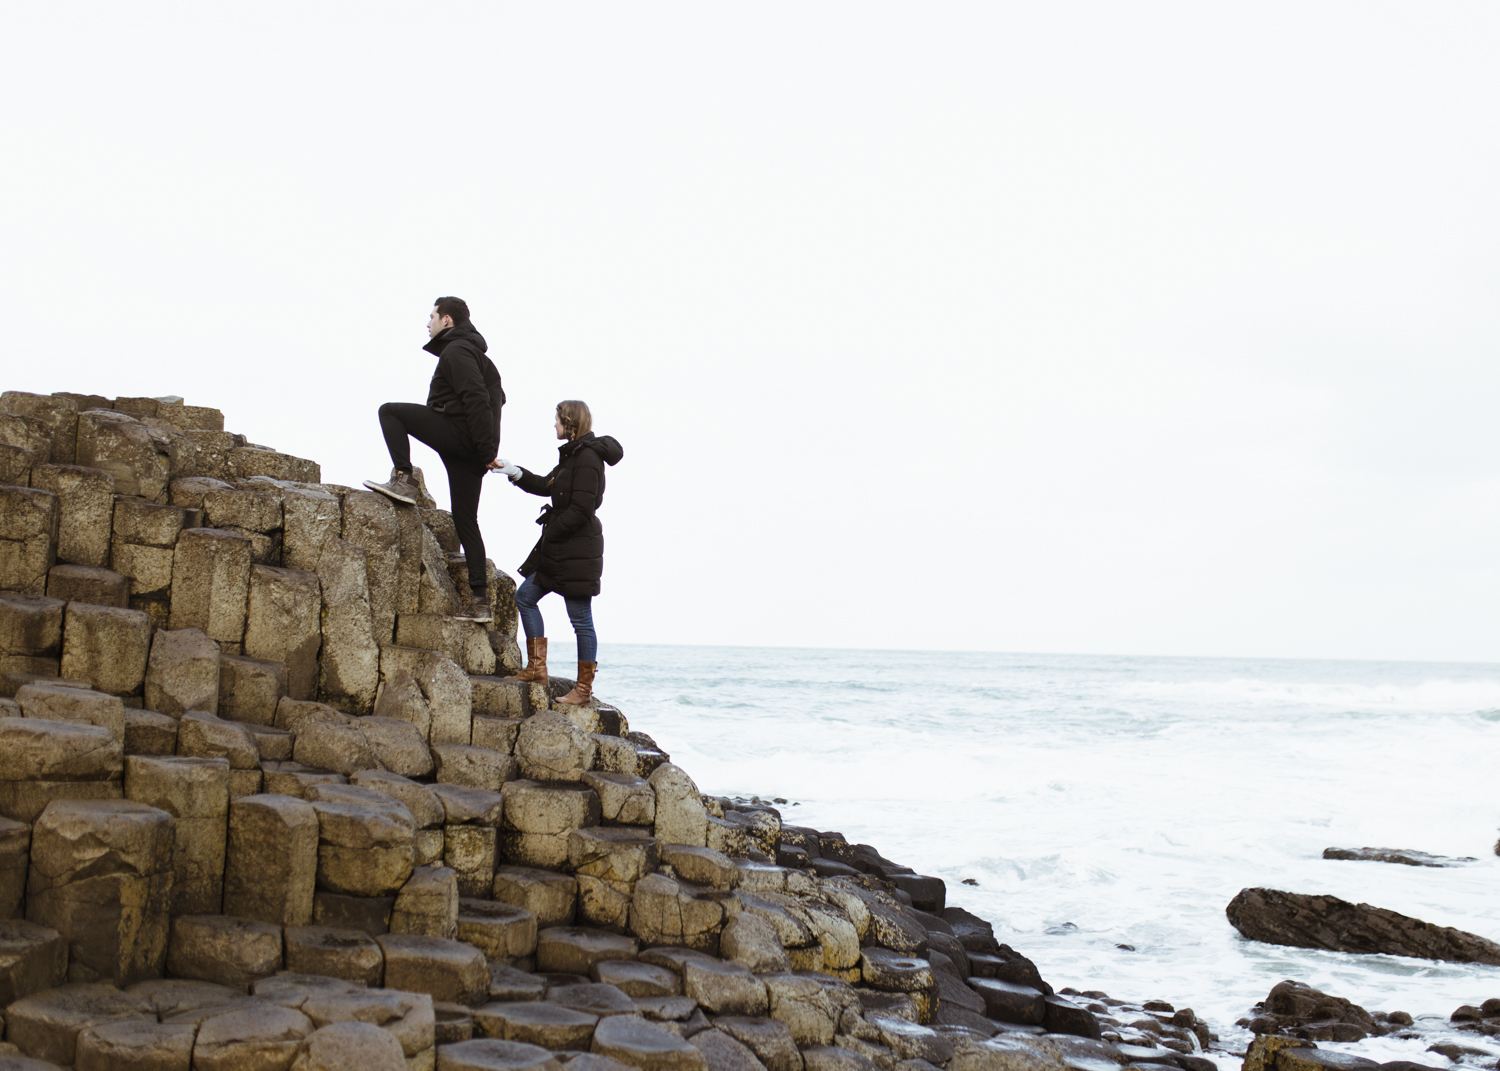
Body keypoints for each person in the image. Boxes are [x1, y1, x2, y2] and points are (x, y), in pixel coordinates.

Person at [365, 296, 504, 623]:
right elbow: (494, 400)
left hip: (462, 439)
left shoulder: (458, 351)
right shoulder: (476, 356)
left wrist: (486, 450)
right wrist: (485, 452)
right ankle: (480, 602)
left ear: (447, 321)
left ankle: (404, 478)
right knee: (466, 520)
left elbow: (477, 399)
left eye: (431, 316)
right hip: (472, 451)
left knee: (390, 412)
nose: (427, 323)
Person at [493, 400, 623, 705]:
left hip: (578, 551)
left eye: (557, 420)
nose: (554, 425)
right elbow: (545, 485)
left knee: (580, 619)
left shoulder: (588, 458)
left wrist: (551, 530)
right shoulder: (572, 456)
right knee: (525, 597)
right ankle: (536, 668)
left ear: (570, 423)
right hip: (559, 550)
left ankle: (583, 690)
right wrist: (510, 470)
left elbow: (581, 509)